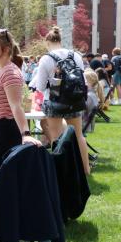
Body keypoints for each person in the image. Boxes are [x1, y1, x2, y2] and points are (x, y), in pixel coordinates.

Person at [0, 29, 41, 187]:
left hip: (3, 132)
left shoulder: (10, 73)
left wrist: (25, 134)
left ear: (5, 50)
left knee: (0, 183)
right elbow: (4, 107)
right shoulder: (3, 71)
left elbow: (16, 106)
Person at [30, 26, 90, 174]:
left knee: (57, 137)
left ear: (47, 42)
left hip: (55, 102)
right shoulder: (75, 55)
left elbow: (41, 86)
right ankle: (85, 170)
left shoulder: (46, 58)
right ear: (60, 41)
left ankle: (62, 171)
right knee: (78, 135)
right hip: (75, 100)